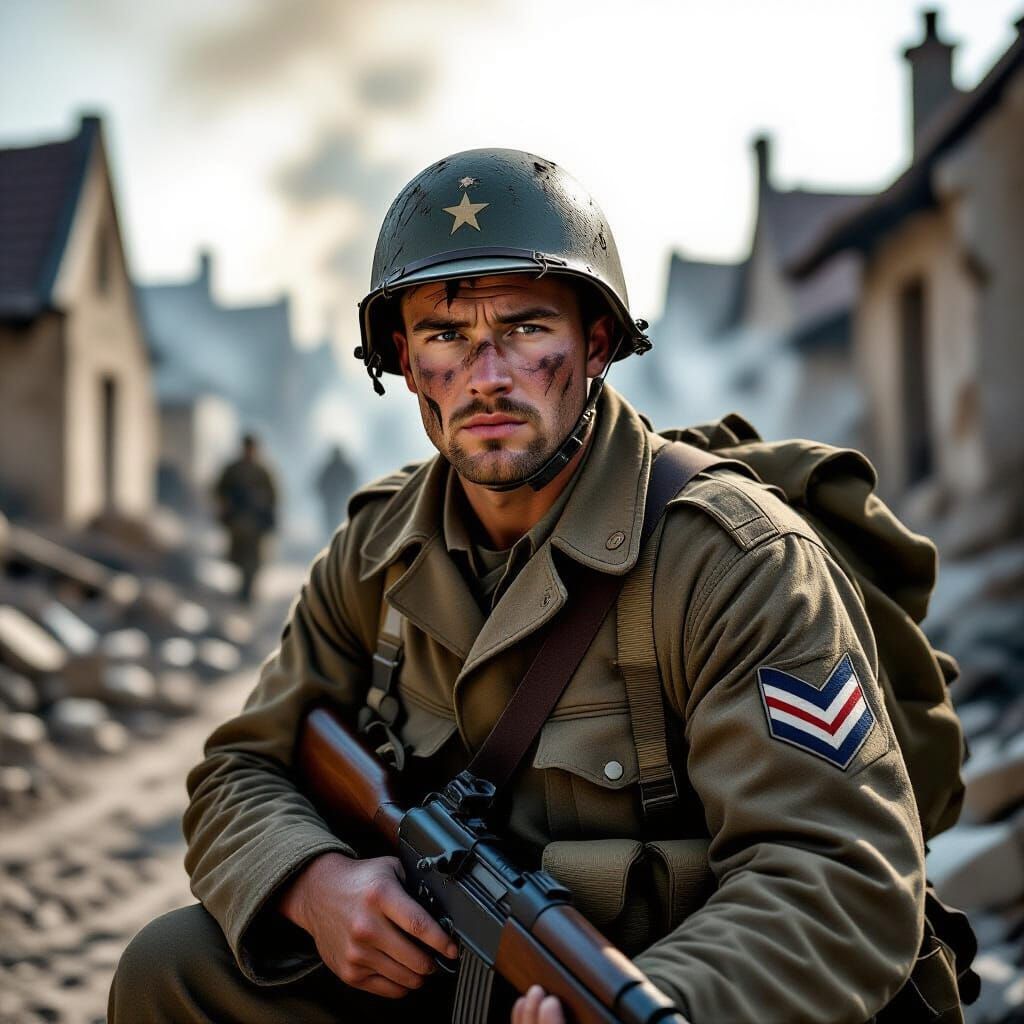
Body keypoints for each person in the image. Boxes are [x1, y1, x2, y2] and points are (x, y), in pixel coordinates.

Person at [110, 150, 927, 1023]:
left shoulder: (735, 562)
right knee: (174, 969)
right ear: (404, 361)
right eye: (446, 336)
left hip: (663, 990)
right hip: (437, 976)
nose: (487, 376)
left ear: (596, 343)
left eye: (527, 329)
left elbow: (840, 876)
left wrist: (664, 1003)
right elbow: (241, 768)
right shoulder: (374, 551)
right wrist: (316, 884)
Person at [213, 433, 278, 604]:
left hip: (255, 524)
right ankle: (243, 588)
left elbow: (273, 497)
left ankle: (247, 590)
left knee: (253, 561)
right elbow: (219, 490)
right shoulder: (233, 470)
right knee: (239, 558)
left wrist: (263, 506)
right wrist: (228, 505)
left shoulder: (262, 471)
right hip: (238, 522)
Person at [315, 443, 357, 538]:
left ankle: (335, 538)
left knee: (336, 520)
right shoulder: (342, 468)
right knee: (334, 520)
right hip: (335, 500)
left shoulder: (331, 468)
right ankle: (335, 538)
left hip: (337, 500)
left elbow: (352, 482)